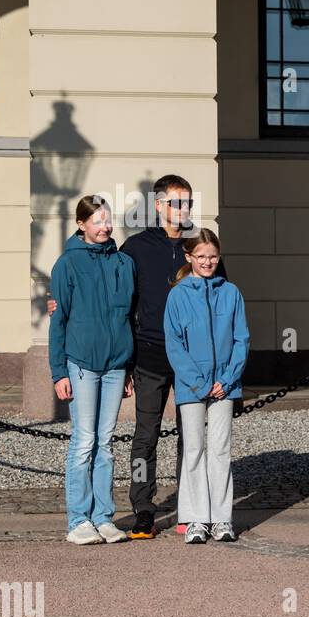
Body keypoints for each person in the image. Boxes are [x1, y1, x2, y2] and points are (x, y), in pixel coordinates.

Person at [120, 174, 228, 538]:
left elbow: (222, 300)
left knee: (191, 436)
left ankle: (190, 507)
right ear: (158, 206)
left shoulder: (200, 244)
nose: (183, 210)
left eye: (188, 203)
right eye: (176, 203)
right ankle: (143, 508)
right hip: (149, 356)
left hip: (194, 363)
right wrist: (62, 301)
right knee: (145, 436)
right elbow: (117, 298)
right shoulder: (135, 248)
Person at [48, 196, 136, 545]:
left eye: (108, 219)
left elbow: (129, 315)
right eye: (97, 220)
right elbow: (59, 321)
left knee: (106, 443)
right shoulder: (67, 264)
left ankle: (103, 518)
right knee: (83, 442)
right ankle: (78, 521)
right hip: (81, 364)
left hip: (116, 365)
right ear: (81, 224)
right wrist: (59, 372)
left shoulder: (124, 263)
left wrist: (128, 367)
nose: (105, 226)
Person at [163, 228, 249, 545]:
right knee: (195, 451)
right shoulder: (178, 295)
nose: (208, 262)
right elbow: (174, 345)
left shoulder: (232, 293)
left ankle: (222, 518)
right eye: (201, 256)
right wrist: (198, 382)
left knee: (221, 450)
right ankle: (197, 518)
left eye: (213, 256)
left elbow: (241, 340)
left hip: (225, 386)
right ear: (189, 257)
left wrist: (226, 380)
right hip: (191, 387)